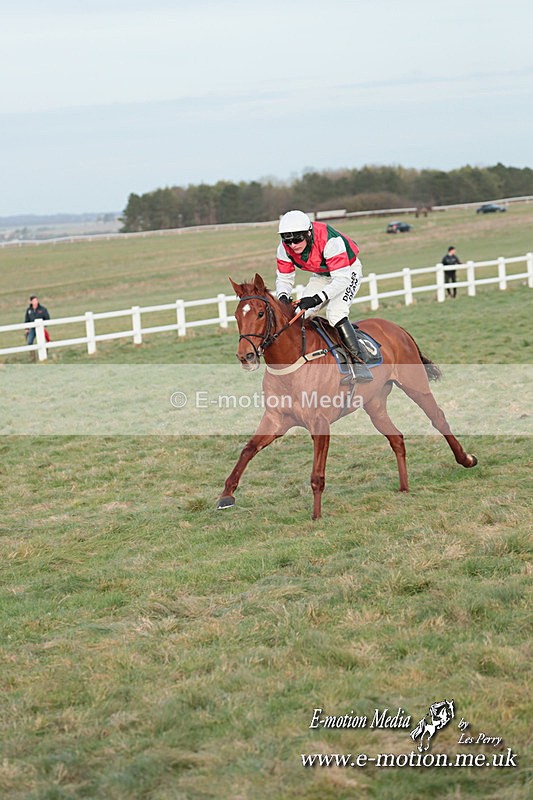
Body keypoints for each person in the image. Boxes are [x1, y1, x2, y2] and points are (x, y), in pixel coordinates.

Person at [275, 210, 373, 382]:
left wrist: (316, 299)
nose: (293, 245)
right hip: (322, 276)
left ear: (308, 233)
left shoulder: (330, 241)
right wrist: (283, 297)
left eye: (297, 239)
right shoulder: (284, 249)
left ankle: (359, 364)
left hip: (347, 273)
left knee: (336, 313)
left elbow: (341, 280)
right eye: (287, 240)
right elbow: (284, 278)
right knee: (300, 314)